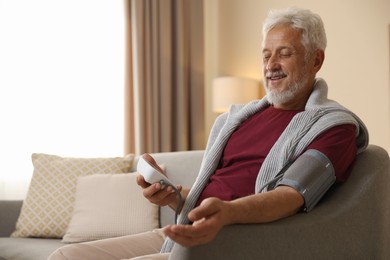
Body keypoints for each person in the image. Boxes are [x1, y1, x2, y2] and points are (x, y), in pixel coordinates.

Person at [48, 7, 368, 260]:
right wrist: (173, 195)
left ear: (316, 60)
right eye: (266, 54)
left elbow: (292, 196)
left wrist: (227, 213)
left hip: (240, 239)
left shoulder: (334, 127)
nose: (271, 64)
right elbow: (210, 196)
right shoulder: (236, 119)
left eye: (284, 53)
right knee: (66, 254)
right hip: (190, 228)